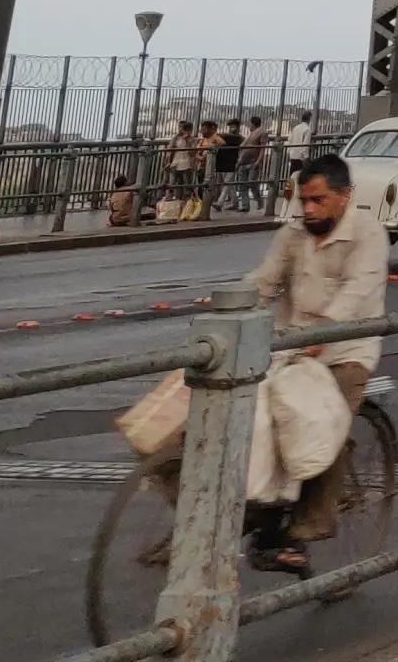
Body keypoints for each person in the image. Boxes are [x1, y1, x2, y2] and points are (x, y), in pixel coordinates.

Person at [135, 154, 384, 574]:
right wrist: (230, 306)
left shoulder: (367, 234)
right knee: (216, 421)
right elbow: (265, 280)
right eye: (304, 200)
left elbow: (359, 289)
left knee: (326, 425)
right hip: (287, 348)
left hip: (343, 351)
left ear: (344, 196)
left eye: (319, 200)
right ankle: (214, 517)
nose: (309, 209)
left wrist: (324, 333)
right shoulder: (293, 234)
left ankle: (302, 532)